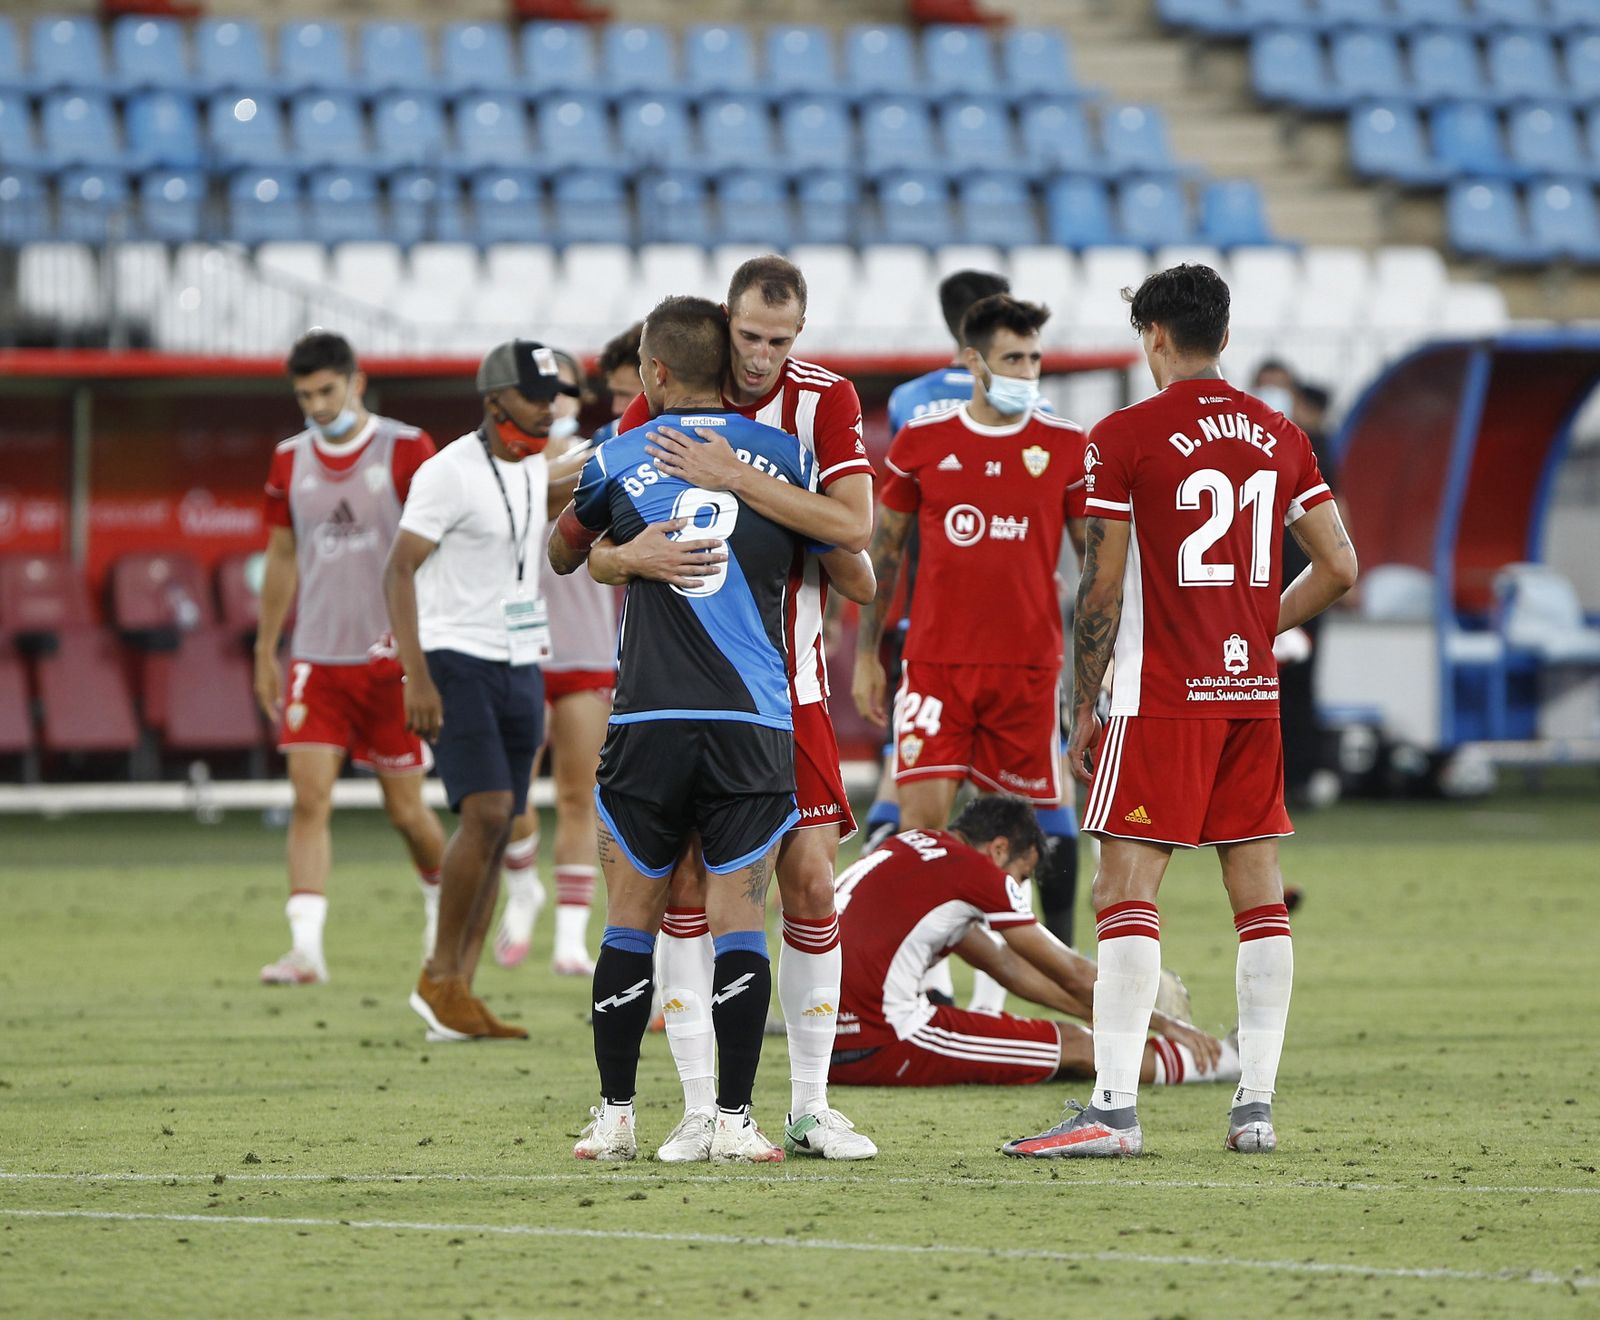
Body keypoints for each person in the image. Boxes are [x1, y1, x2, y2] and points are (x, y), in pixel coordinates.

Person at [1004, 264, 1358, 1161]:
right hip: (1249, 693)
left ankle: (1114, 1110)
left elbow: (1102, 584)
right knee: (1258, 895)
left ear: (1155, 337)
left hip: (1157, 694)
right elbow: (1340, 568)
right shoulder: (1281, 434)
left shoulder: (1124, 434)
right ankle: (1257, 1110)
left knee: (1126, 890)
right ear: (1225, 338)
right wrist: (1249, 624)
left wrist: (1083, 703)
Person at [548, 294, 870, 1163]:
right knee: (737, 913)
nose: (765, 355)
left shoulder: (623, 451)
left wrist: (623, 551)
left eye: (781, 339)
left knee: (635, 915)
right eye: (752, 339)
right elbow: (859, 570)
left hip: (648, 712)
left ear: (654, 372)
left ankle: (618, 1115)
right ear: (726, 349)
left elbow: (562, 550)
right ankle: (729, 1117)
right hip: (752, 712)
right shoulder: (791, 454)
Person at [852, 294, 1089, 1008]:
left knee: (1011, 840)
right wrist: (868, 655)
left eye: (1035, 359)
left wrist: (1090, 679)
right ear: (972, 362)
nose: (1027, 371)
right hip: (935, 666)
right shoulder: (922, 440)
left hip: (1025, 670)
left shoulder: (1068, 446)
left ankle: (992, 998)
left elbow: (1100, 573)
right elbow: (882, 557)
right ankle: (923, 981)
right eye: (1014, 358)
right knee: (923, 828)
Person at [382, 339, 582, 1042]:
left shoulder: (530, 465)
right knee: (489, 810)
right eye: (536, 395)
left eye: (553, 396)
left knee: (500, 827)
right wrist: (418, 674)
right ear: (496, 398)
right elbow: (398, 571)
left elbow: (564, 483)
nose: (548, 407)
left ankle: (458, 991)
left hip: (520, 662)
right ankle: (438, 974)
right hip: (455, 657)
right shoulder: (447, 472)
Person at [254, 331, 445, 986]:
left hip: (391, 661)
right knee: (310, 800)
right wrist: (266, 646)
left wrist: (425, 652)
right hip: (316, 657)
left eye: (326, 391)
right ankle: (305, 950)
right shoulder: (287, 459)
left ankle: (441, 908)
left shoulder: (406, 448)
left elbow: (437, 546)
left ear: (356, 383)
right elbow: (282, 557)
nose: (316, 405)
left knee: (406, 813)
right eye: (304, 395)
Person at [829, 795, 1236, 1090]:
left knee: (1080, 1033)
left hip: (822, 1047)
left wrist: (1104, 1014)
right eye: (1021, 876)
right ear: (1000, 848)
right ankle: (1223, 1061)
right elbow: (1071, 972)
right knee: (1079, 1046)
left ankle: (1203, 1052)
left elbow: (1008, 968)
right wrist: (1165, 1023)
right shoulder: (975, 871)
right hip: (883, 1039)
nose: (1017, 889)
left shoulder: (908, 849)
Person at [864, 270, 1014, 851]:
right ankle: (1023, 925)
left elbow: (899, 522)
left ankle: (877, 878)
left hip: (926, 618)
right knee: (1014, 791)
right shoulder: (1026, 400)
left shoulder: (910, 400)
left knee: (910, 772)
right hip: (1008, 629)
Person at [493, 349, 616, 976]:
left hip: (587, 645)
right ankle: (523, 890)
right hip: (512, 647)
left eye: (564, 388)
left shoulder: (606, 458)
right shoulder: (496, 461)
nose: (554, 399)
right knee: (506, 791)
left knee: (579, 794)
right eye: (541, 389)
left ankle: (570, 936)